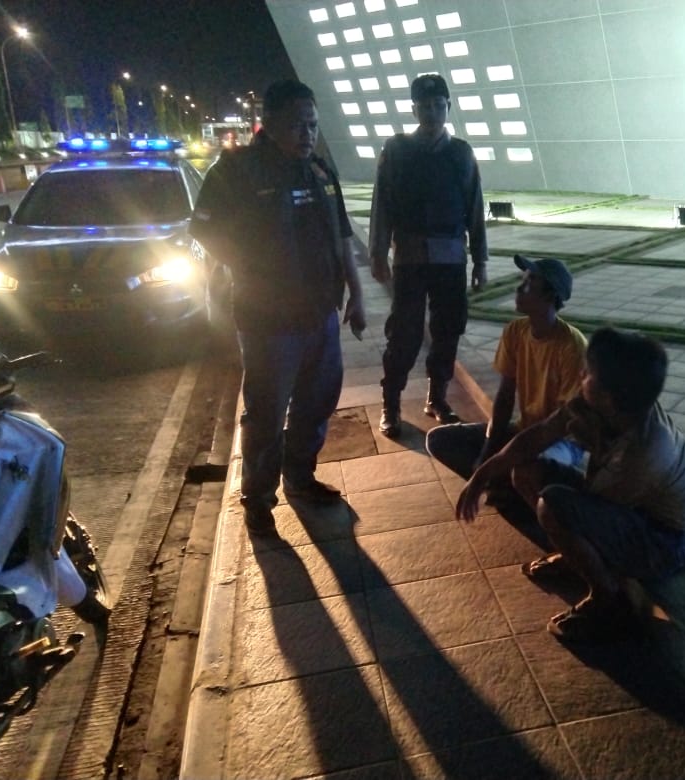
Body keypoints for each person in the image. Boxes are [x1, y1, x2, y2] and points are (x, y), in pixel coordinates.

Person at [190, 79, 366, 535]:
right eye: (297, 125)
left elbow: (342, 237)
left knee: (317, 402)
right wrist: (251, 266)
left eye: (312, 125)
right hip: (268, 322)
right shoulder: (236, 171)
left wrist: (357, 293)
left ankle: (300, 478)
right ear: (268, 123)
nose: (307, 134)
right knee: (266, 413)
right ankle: (258, 498)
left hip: (321, 315)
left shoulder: (320, 173)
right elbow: (204, 229)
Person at [456, 328, 685, 643]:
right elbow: (538, 436)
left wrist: (595, 444)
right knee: (526, 471)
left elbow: (591, 502)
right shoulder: (608, 404)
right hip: (627, 509)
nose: (581, 375)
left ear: (608, 396)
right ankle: (574, 558)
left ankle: (606, 596)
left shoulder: (646, 452)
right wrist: (482, 475)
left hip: (663, 542)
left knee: (554, 506)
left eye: (587, 372)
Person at [369, 73, 488, 439]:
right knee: (404, 332)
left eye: (439, 105)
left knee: (448, 330)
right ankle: (391, 403)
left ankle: (437, 398)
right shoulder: (396, 149)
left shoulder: (461, 152)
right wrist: (377, 253)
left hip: (451, 257)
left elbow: (474, 207)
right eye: (425, 106)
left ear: (448, 107)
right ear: (414, 109)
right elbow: (381, 205)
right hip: (409, 257)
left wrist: (481, 260)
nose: (432, 112)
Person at [426, 254, 587, 510]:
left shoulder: (572, 347)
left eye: (529, 283)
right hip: (525, 429)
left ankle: (520, 493)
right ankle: (504, 487)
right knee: (439, 440)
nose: (519, 288)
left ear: (550, 296)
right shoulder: (515, 331)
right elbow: (505, 395)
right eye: (523, 280)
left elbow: (561, 424)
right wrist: (488, 452)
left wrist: (502, 456)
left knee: (528, 467)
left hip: (560, 441)